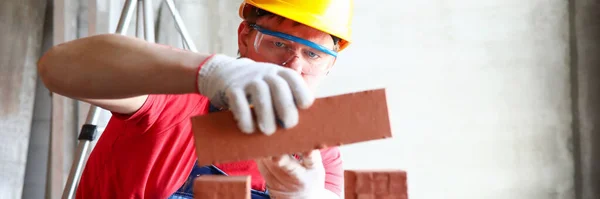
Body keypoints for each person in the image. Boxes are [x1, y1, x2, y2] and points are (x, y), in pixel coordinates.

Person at [37, 0, 353, 198]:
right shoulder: (178, 95)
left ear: (330, 65)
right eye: (278, 45)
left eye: (313, 54)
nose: (293, 67)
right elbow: (56, 69)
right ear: (244, 37)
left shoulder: (317, 148)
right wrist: (207, 72)